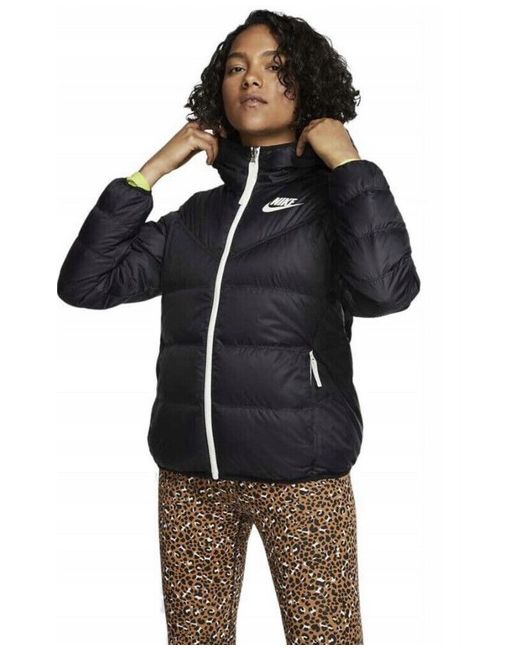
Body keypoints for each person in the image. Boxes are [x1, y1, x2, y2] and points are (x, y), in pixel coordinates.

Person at [57, 9, 420, 645]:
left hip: (303, 475)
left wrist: (350, 165)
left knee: (327, 641)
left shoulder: (332, 205)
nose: (250, 78)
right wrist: (150, 172)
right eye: (235, 67)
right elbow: (85, 284)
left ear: (308, 87)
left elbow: (386, 291)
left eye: (275, 67)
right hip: (191, 475)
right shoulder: (194, 217)